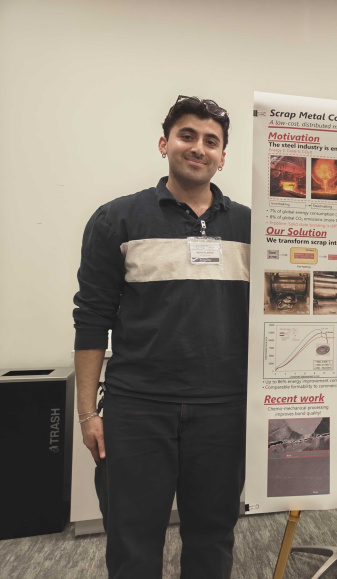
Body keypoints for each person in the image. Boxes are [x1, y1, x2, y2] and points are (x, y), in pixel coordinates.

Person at [73, 96, 251, 579]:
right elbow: (91, 318)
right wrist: (88, 412)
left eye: (211, 141)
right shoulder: (117, 220)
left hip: (223, 408)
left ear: (223, 156)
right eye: (187, 135)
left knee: (213, 538)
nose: (199, 148)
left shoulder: (252, 227)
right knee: (132, 542)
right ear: (164, 143)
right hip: (138, 407)